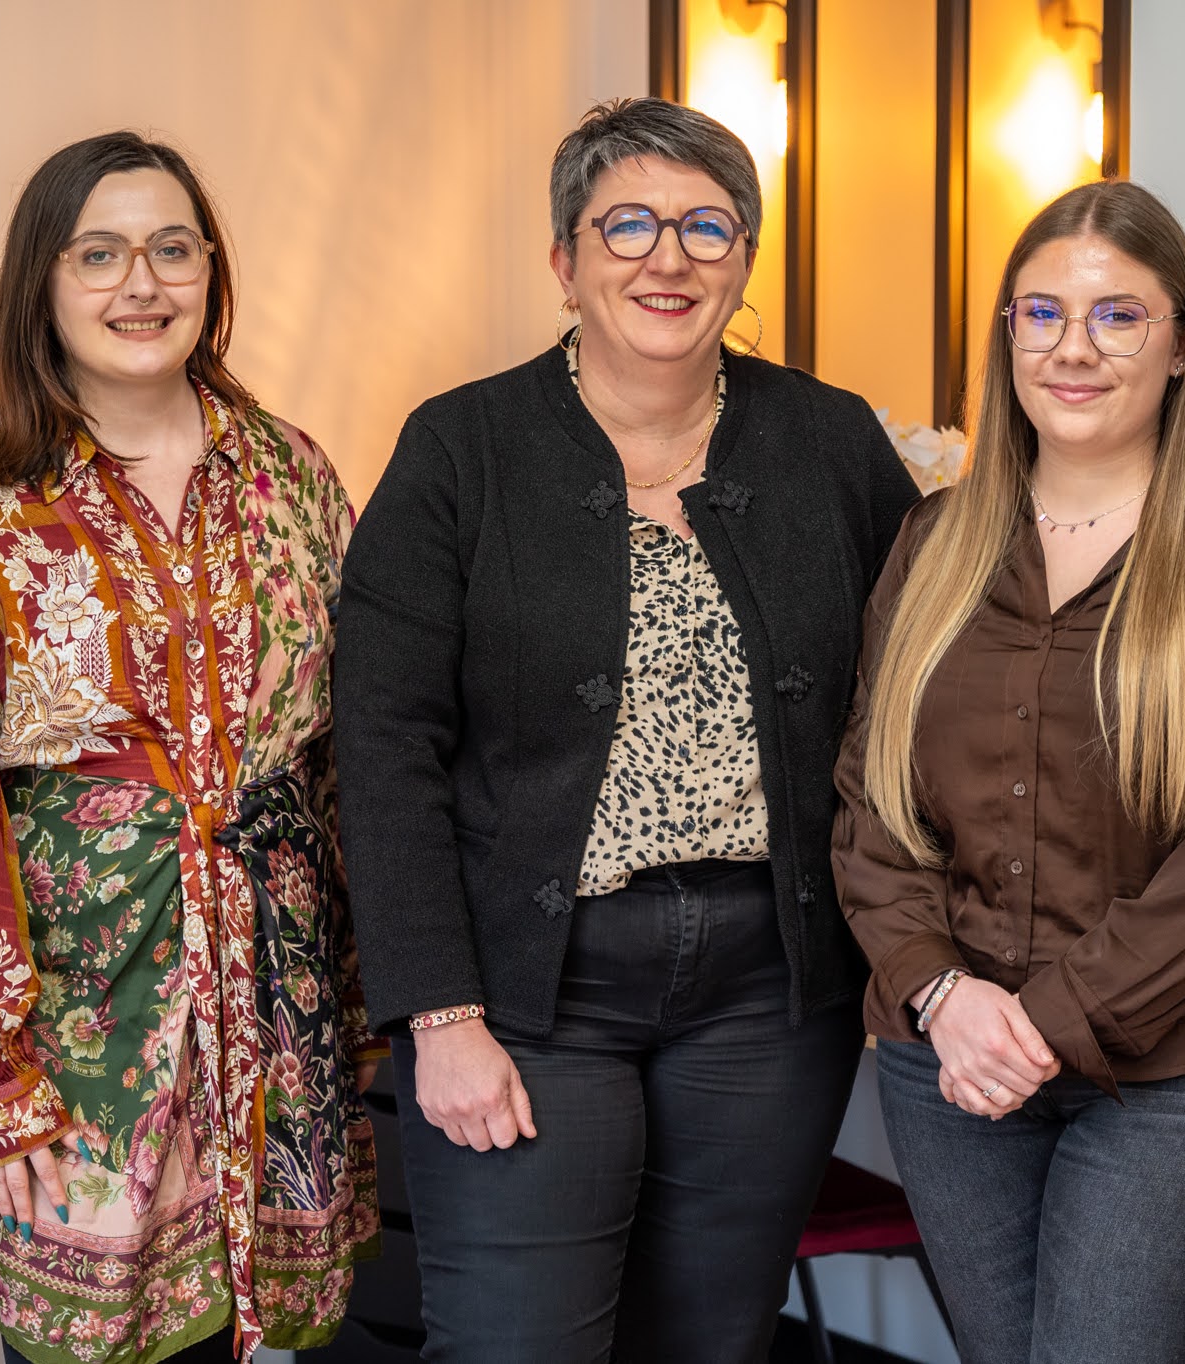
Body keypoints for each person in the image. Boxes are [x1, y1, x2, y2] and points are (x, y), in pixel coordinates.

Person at [333, 97, 920, 1362]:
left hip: (769, 996)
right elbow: (381, 743)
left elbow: (917, 683)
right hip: (532, 996)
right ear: (565, 262)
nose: (670, 258)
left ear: (744, 261)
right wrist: (436, 1014)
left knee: (708, 1342)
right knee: (515, 1343)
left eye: (708, 227)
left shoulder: (827, 438)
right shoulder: (461, 449)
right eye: (629, 226)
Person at [0, 131, 382, 1364]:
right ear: (42, 281)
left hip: (276, 998)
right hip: (82, 1027)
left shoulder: (293, 476)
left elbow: (352, 753)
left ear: (210, 272)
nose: (139, 283)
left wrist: (373, 1001)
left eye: (170, 248)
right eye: (98, 253)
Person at [832, 178, 1185, 1364]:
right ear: (1006, 334)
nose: (1073, 347)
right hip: (949, 1058)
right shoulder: (932, 541)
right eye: (1040, 313)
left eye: (1118, 315)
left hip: (1183, 1069)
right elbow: (870, 803)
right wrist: (939, 993)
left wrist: (1051, 1017)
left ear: (1178, 346)